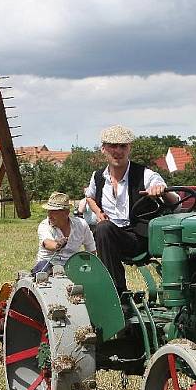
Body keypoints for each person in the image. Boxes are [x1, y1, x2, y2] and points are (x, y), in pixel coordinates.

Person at [84, 124, 174, 295]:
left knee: (104, 230)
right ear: (103, 149)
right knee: (103, 228)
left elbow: (172, 197)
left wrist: (160, 190)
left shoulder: (145, 174)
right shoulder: (98, 177)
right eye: (113, 146)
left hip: (138, 237)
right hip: (110, 234)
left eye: (123, 146)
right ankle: (116, 293)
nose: (118, 151)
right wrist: (97, 212)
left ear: (129, 148)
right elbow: (90, 196)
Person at [31, 192, 96, 274]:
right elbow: (47, 243)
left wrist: (90, 267)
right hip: (48, 265)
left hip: (73, 266)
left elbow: (91, 250)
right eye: (49, 211)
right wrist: (57, 245)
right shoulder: (44, 225)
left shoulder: (81, 224)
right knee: (43, 270)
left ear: (66, 212)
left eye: (54, 212)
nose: (49, 215)